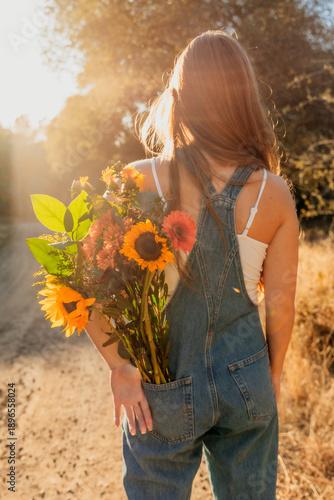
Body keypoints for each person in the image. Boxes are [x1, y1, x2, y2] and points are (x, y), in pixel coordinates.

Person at [85, 30, 299, 500]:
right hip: (247, 380)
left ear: (180, 98)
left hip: (165, 384)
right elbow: (282, 305)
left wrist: (119, 366)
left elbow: (84, 287)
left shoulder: (138, 181)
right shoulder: (274, 194)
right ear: (245, 99)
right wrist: (272, 377)